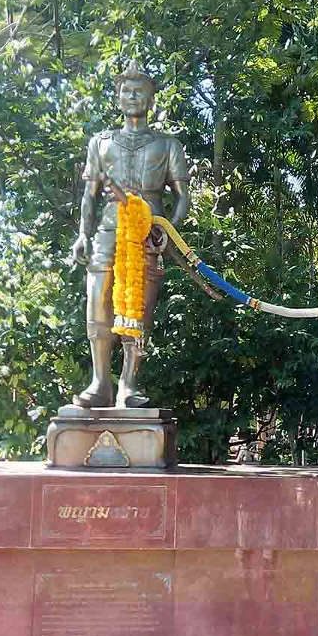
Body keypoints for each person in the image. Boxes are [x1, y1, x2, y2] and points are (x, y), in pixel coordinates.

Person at [71, 61, 190, 408]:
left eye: (141, 91)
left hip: (147, 233)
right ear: (117, 97)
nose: (133, 96)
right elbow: (89, 195)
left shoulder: (167, 145)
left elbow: (183, 197)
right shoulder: (101, 143)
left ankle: (128, 383)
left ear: (152, 99)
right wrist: (82, 233)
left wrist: (168, 229)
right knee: (98, 305)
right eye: (126, 90)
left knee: (138, 310)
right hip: (108, 231)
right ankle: (99, 381)